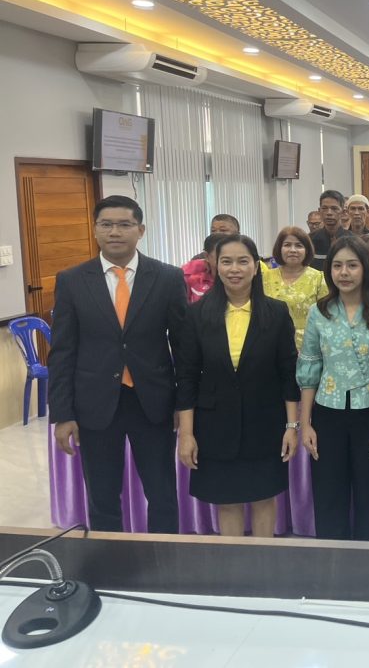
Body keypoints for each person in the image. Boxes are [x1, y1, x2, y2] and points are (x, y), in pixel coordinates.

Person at [49, 195, 187, 534]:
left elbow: (184, 348)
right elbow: (62, 352)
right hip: (95, 403)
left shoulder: (167, 277)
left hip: (153, 402)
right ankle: (110, 559)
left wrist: (183, 407)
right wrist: (63, 414)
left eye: (124, 224)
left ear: (140, 230)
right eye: (106, 224)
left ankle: (163, 559)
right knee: (103, 497)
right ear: (95, 229)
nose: (115, 232)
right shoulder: (72, 280)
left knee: (162, 494)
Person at [175, 235, 299, 537]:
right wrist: (187, 434)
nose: (234, 269)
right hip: (214, 425)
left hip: (264, 422)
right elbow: (187, 377)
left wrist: (291, 426)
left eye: (243, 261)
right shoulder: (197, 314)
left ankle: (264, 561)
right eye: (226, 261)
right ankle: (234, 562)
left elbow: (288, 374)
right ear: (215, 266)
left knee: (263, 498)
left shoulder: (276, 312)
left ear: (256, 267)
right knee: (226, 500)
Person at [297, 236, 369, 541]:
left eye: (352, 265)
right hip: (327, 415)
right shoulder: (319, 312)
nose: (344, 273)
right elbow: (310, 368)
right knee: (329, 496)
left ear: (365, 268)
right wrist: (305, 423)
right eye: (337, 266)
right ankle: (333, 562)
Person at [261, 226, 328, 349]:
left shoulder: (318, 278)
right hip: (269, 344)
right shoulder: (264, 278)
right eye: (287, 245)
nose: (293, 250)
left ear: (307, 250)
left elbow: (325, 318)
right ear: (279, 249)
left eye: (299, 245)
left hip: (307, 346)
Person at [182, 232, 225, 303]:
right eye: (220, 253)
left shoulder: (238, 280)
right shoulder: (192, 280)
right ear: (207, 256)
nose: (226, 257)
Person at [310, 189, 347, 271]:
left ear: (343, 212)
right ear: (319, 211)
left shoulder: (353, 240)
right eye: (324, 208)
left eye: (334, 208)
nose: (329, 213)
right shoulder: (309, 240)